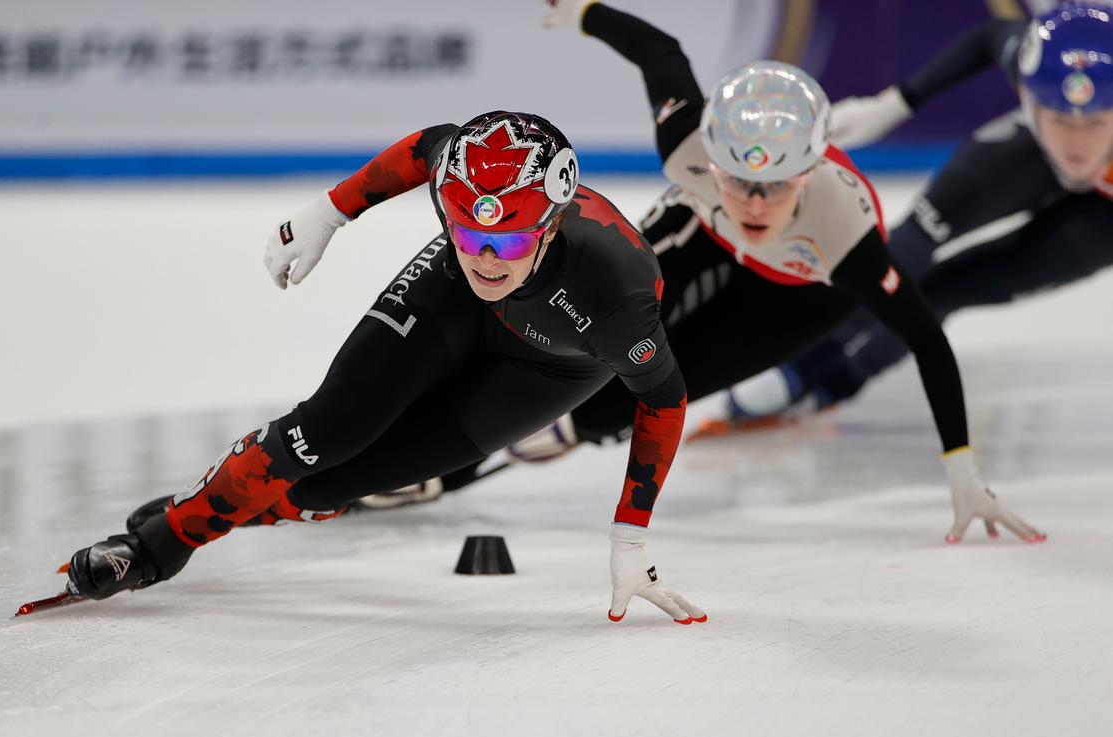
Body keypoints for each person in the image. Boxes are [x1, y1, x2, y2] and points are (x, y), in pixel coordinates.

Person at [406, 0, 1043, 544]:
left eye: (776, 186)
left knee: (622, 401)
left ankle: (481, 456)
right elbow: (659, 51)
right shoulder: (686, 144)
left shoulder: (845, 236)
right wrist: (586, 13)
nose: (756, 205)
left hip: (800, 294)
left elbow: (926, 336)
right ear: (711, 161)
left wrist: (962, 470)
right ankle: (422, 440)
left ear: (808, 174)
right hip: (704, 233)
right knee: (576, 319)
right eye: (738, 181)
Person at [61, 110, 706, 625]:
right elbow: (426, 146)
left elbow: (664, 399)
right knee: (325, 431)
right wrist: (329, 212)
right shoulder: (460, 188)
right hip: (450, 299)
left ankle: (210, 506)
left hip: (551, 367)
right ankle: (160, 545)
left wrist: (630, 535)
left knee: (330, 489)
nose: (486, 258)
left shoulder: (617, 295)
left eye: (508, 241)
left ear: (553, 224)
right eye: (465, 230)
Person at [695, 4, 1113, 436]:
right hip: (1032, 154)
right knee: (908, 247)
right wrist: (896, 103)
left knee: (953, 288)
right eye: (1060, 119)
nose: (1076, 142)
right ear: (1026, 97)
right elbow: (992, 36)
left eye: (1096, 122)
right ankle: (796, 361)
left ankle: (836, 383)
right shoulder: (1044, 70)